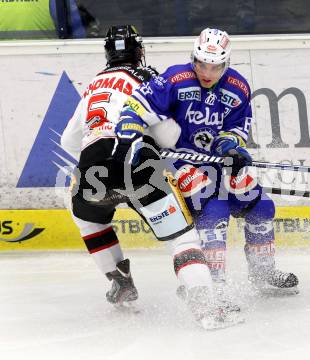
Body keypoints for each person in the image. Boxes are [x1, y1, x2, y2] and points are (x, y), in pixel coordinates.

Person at [61, 25, 240, 330]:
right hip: (136, 162)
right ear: (140, 52)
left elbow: (68, 142)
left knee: (87, 217)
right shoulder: (148, 79)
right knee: (181, 238)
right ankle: (206, 306)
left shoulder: (93, 86)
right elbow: (168, 135)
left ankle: (120, 281)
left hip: (92, 166)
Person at [117, 28, 299, 310]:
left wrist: (231, 148)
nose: (207, 72)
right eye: (202, 64)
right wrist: (129, 131)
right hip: (180, 161)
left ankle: (262, 271)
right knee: (213, 211)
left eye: (215, 66)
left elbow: (237, 128)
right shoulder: (175, 78)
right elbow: (134, 105)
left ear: (226, 64)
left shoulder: (238, 87)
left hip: (217, 160)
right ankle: (212, 283)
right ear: (193, 58)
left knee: (260, 204)